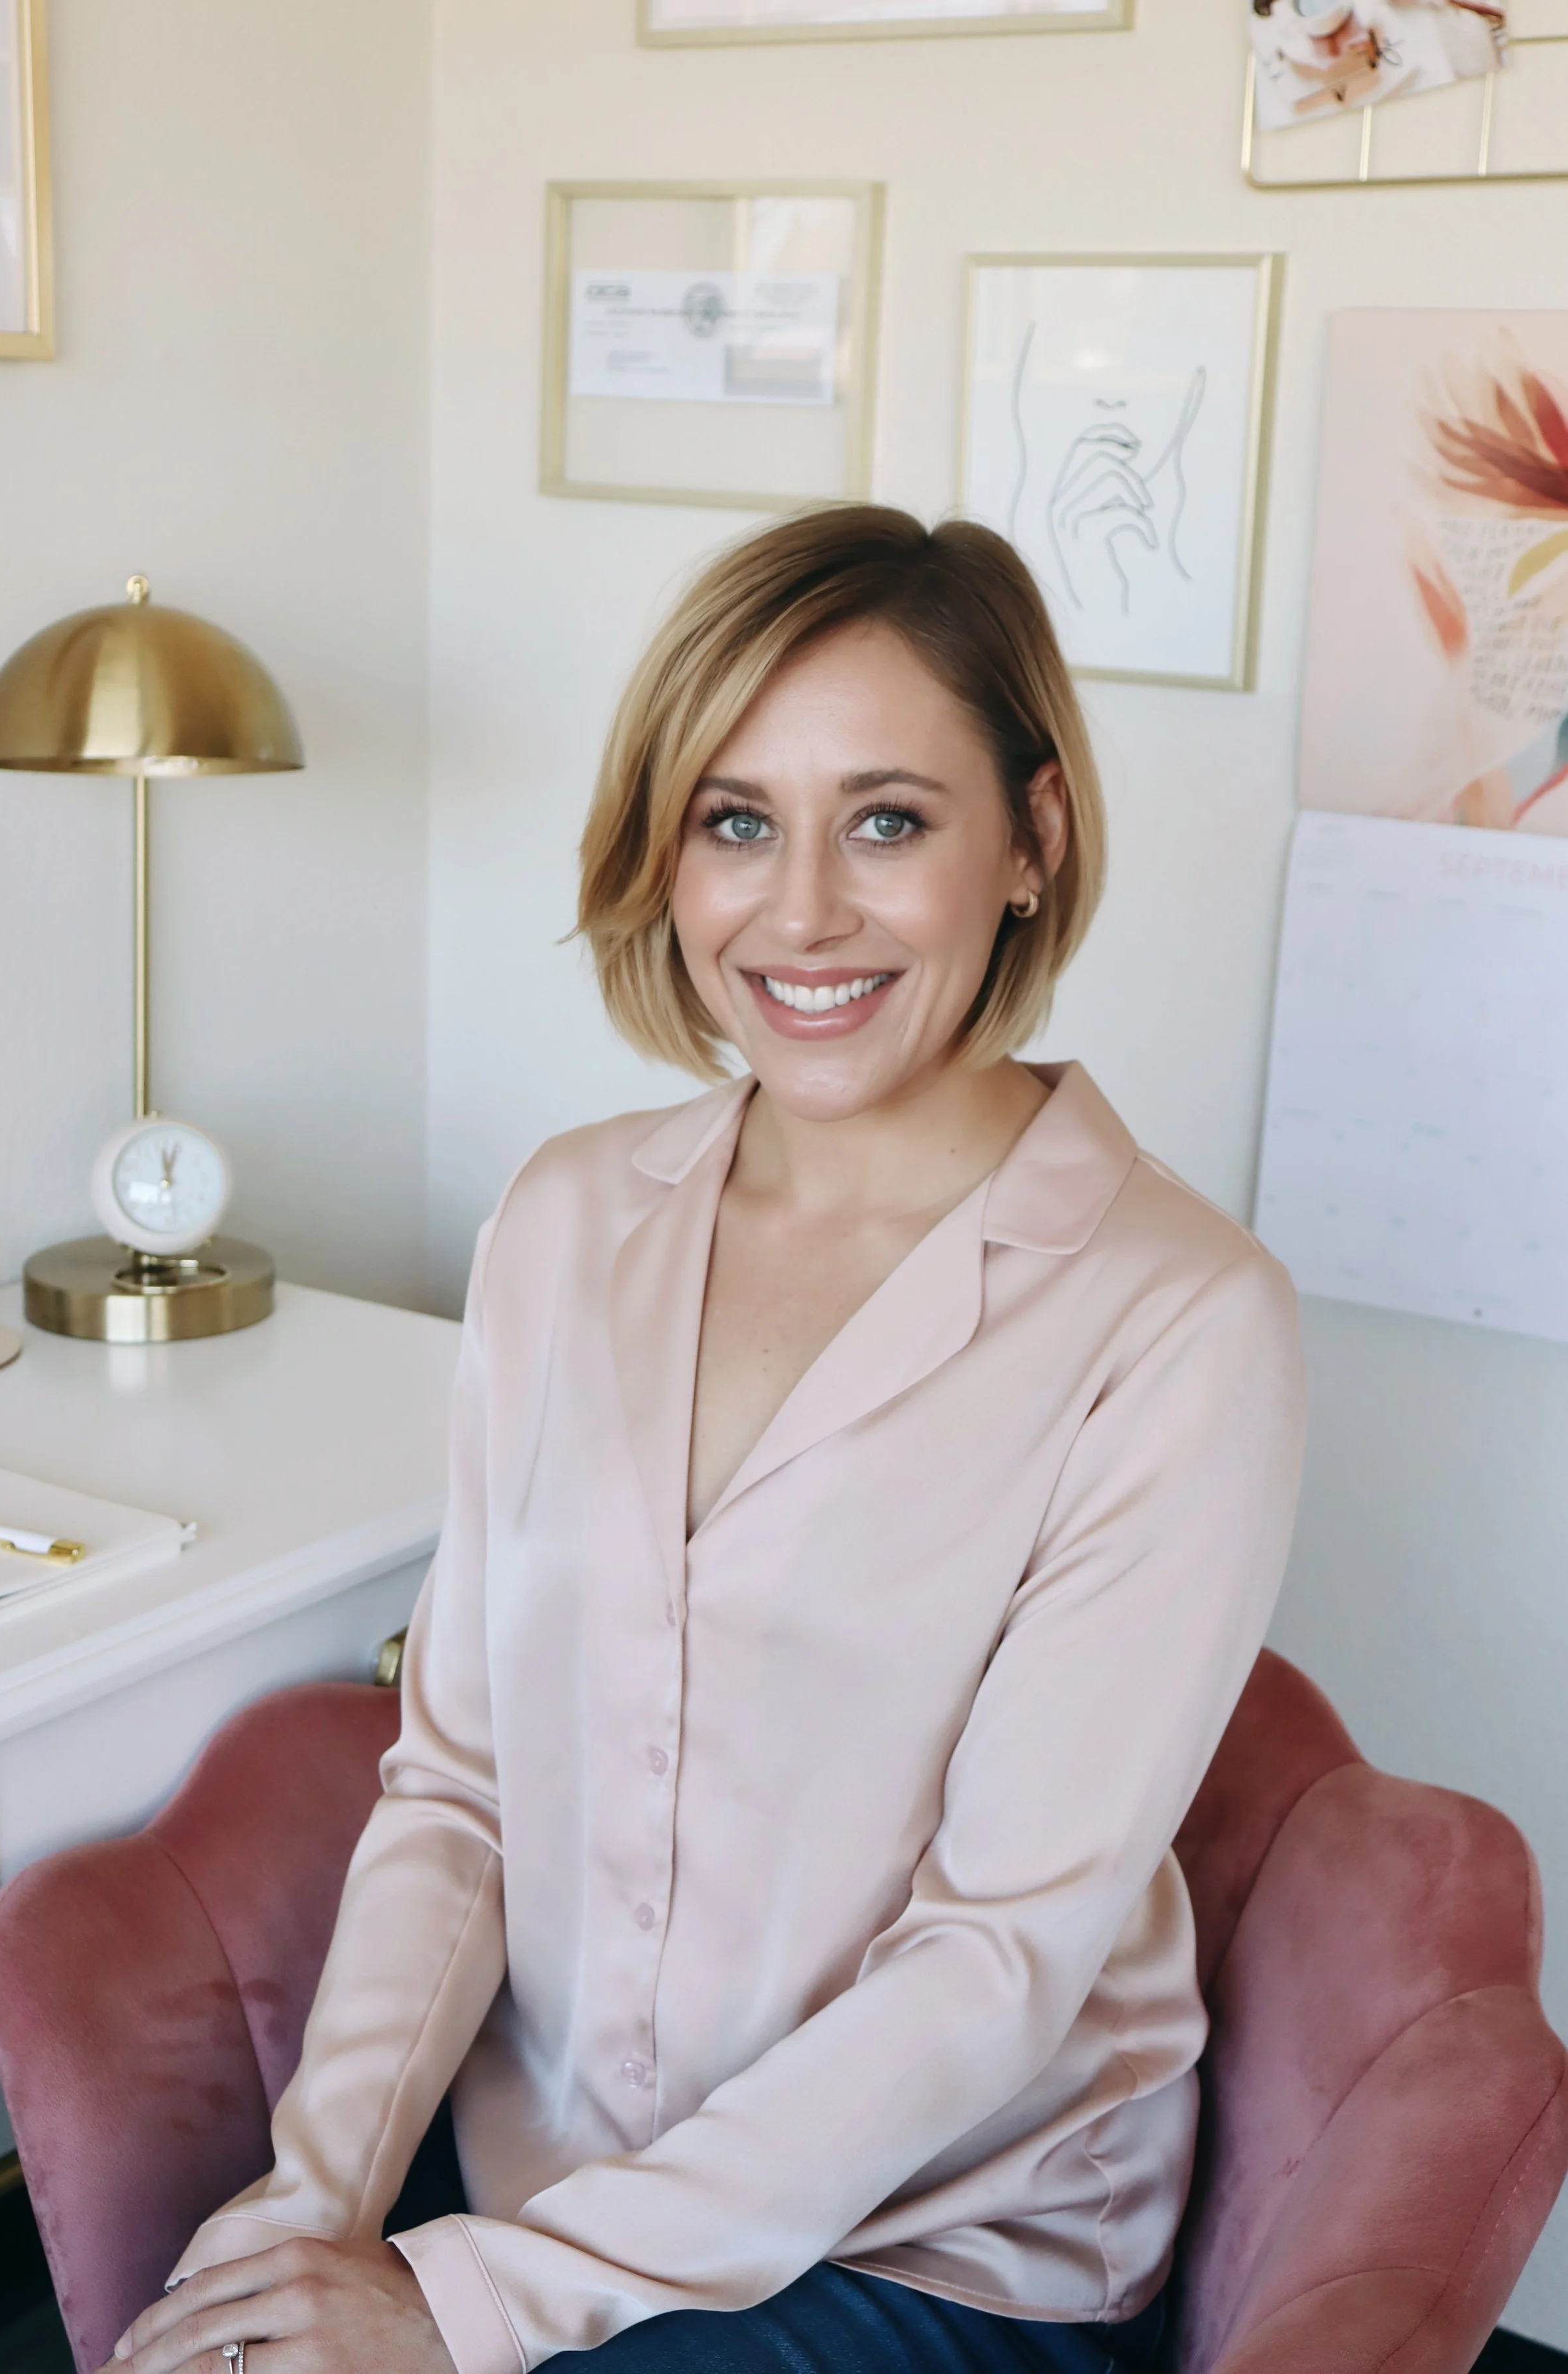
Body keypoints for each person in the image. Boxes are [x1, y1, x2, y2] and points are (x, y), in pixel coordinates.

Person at [109, 507, 1305, 2374]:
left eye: (887, 819)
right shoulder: (567, 1217)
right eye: (736, 819)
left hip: (936, 2243)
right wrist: (308, 2204)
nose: (800, 909)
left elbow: (991, 1962)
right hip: (543, 2174)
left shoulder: (1179, 1316)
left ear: (1030, 839)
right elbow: (464, 1786)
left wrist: (457, 2303)